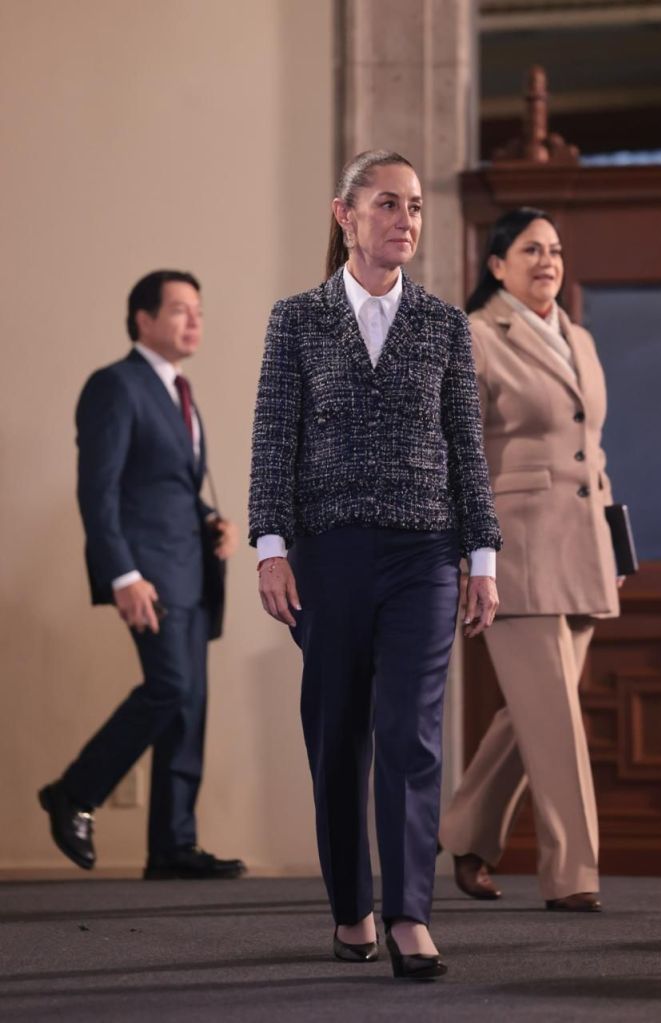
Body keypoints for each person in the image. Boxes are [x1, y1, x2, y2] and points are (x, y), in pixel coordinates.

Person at [249, 150, 501, 980]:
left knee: (410, 733)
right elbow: (273, 438)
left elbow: (467, 448)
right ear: (345, 214)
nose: (406, 219)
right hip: (326, 554)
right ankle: (351, 906)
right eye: (388, 203)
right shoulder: (296, 320)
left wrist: (482, 556)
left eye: (415, 206)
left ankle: (408, 915)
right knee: (337, 734)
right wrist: (271, 548)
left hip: (425, 554)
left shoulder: (444, 325)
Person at [439, 208, 621, 912]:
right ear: (496, 264)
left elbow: (591, 451)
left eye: (555, 250)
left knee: (537, 713)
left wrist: (614, 541)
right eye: (530, 249)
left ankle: (466, 831)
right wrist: (469, 550)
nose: (548, 261)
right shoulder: (476, 336)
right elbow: (457, 452)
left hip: (586, 546)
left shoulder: (580, 336)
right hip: (514, 547)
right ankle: (573, 874)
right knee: (556, 723)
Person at [39, 270, 246, 880]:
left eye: (198, 310)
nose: (194, 320)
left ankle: (173, 846)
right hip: (148, 573)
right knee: (171, 688)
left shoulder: (179, 389)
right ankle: (73, 793)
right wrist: (122, 574)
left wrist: (211, 521)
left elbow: (167, 486)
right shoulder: (115, 385)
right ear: (143, 319)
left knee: (190, 705)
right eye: (180, 309)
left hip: (192, 571)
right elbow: (98, 492)